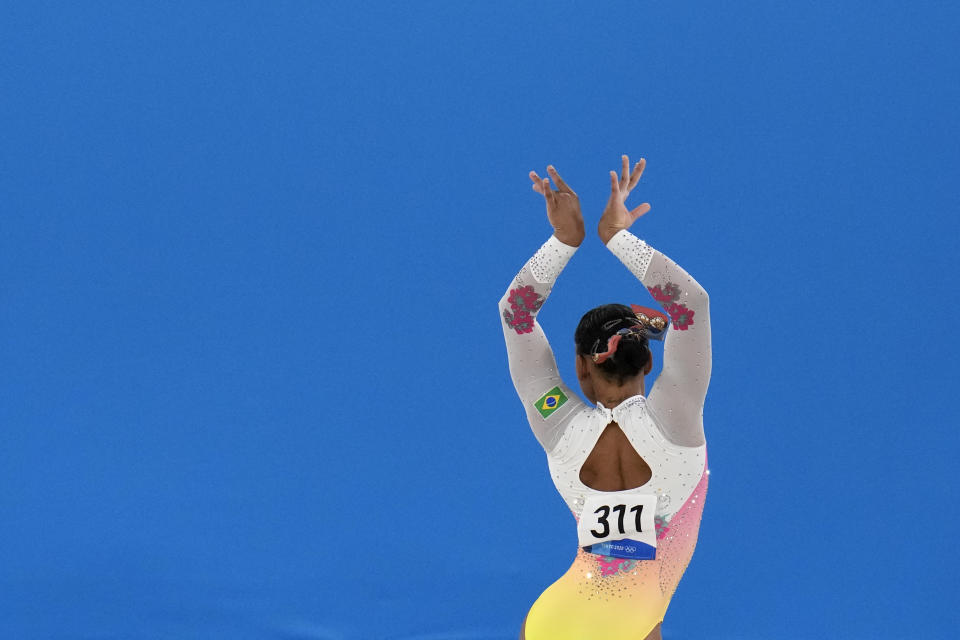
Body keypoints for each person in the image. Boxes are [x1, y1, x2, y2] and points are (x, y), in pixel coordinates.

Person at [499, 156, 711, 640]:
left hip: (556, 619)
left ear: (578, 367)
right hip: (630, 620)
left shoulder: (559, 429)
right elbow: (690, 306)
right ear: (650, 362)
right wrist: (617, 236)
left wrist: (563, 241)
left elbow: (515, 315)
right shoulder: (676, 418)